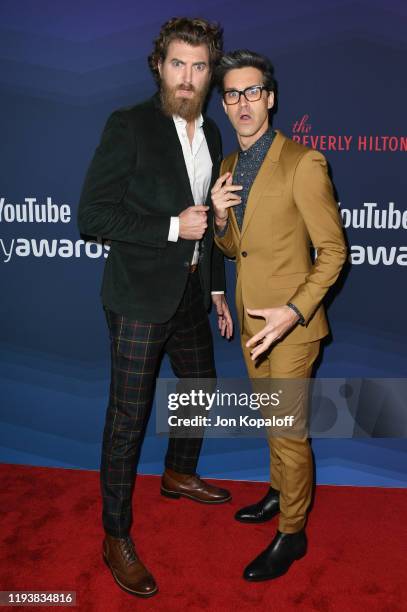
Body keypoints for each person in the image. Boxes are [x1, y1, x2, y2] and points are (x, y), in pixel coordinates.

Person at [78, 17, 233, 598]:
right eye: (177, 64)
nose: (187, 78)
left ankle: (177, 473)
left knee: (201, 383)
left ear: (209, 73)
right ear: (158, 66)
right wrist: (172, 227)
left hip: (192, 291)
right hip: (139, 299)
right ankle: (115, 533)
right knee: (128, 418)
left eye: (199, 67)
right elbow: (92, 217)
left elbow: (211, 222)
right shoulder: (130, 126)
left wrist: (217, 289)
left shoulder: (213, 134)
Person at [211, 50, 347, 582]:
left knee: (289, 431)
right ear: (224, 104)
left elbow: (333, 252)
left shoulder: (303, 162)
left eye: (252, 92)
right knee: (275, 425)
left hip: (290, 329)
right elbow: (232, 250)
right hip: (251, 325)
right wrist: (221, 218)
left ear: (269, 98)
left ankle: (293, 532)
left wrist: (293, 312)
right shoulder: (227, 167)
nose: (242, 103)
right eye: (232, 94)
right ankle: (277, 492)